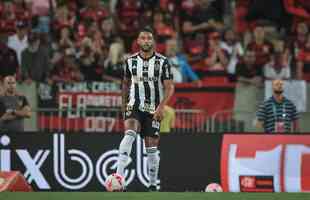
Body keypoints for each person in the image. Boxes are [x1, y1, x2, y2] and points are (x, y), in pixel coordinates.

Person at [116, 27, 174, 191]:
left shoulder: (162, 62)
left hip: (153, 109)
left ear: (153, 41)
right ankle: (119, 179)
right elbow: (125, 84)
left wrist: (161, 107)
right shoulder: (130, 61)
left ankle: (153, 184)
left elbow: (169, 88)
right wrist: (124, 106)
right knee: (129, 134)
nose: (146, 41)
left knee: (152, 149)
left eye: (149, 38)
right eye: (143, 38)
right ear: (138, 41)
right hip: (134, 104)